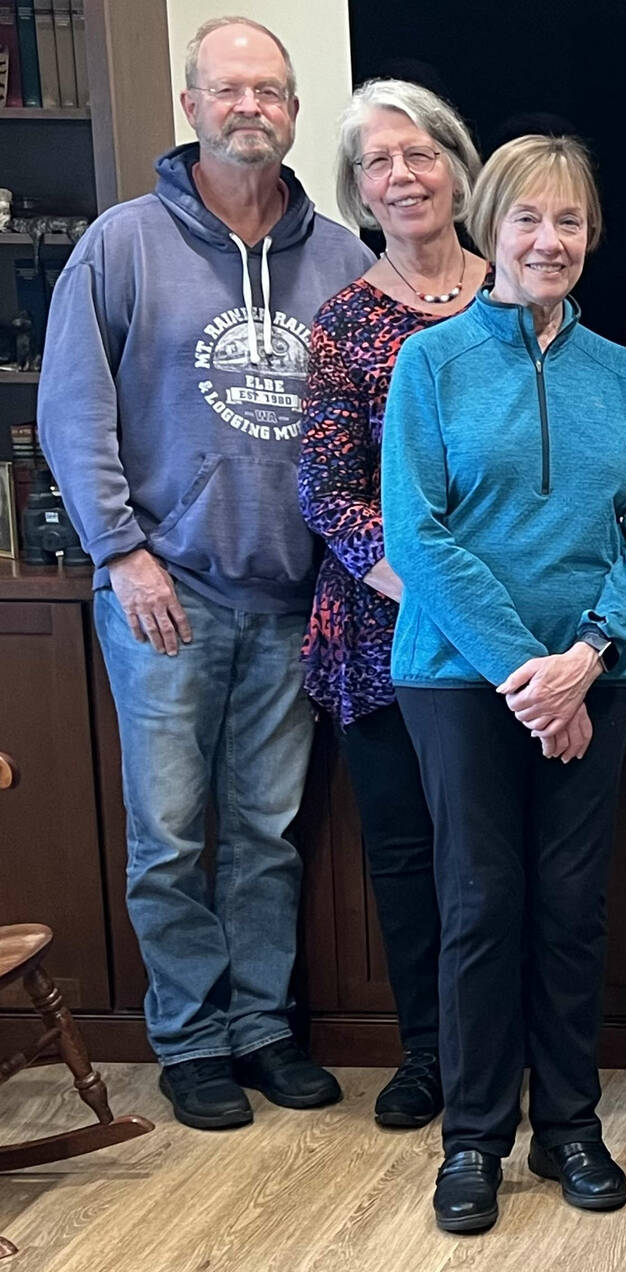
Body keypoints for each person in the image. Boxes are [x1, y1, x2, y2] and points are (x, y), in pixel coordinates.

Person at [38, 17, 374, 1131]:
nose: (251, 107)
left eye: (271, 92)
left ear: (292, 111)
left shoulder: (340, 260)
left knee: (268, 830)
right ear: (191, 107)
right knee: (172, 834)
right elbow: (72, 411)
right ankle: (187, 1039)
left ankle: (262, 1029)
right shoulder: (122, 244)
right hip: (163, 593)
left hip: (289, 602)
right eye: (229, 89)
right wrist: (120, 552)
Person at [382, 134, 626, 1234]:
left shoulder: (619, 374)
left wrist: (589, 657)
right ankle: (471, 1142)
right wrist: (525, 674)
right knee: (478, 903)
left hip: (592, 677)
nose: (548, 241)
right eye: (527, 220)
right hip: (463, 681)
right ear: (489, 228)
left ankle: (568, 1125)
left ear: (590, 238)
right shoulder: (432, 364)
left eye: (569, 222)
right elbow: (418, 533)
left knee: (570, 909)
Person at [297, 77, 486, 1131]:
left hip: (514, 635)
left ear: (458, 167)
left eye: (420, 155)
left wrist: (491, 605)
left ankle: (504, 1045)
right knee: (409, 858)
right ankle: (429, 1053)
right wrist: (432, 591)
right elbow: (328, 488)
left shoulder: (522, 291)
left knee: (496, 854)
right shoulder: (342, 324)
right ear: (359, 194)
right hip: (380, 639)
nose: (403, 177)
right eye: (379, 164)